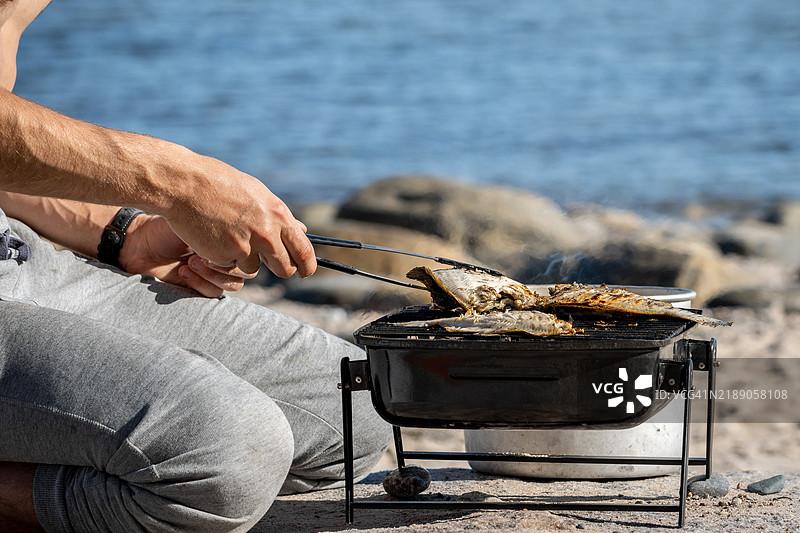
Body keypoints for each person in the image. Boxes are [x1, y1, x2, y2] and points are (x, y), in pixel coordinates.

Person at [0, 1, 390, 531]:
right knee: (228, 456)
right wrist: (183, 184)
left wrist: (123, 235)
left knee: (359, 408)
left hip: (22, 257)